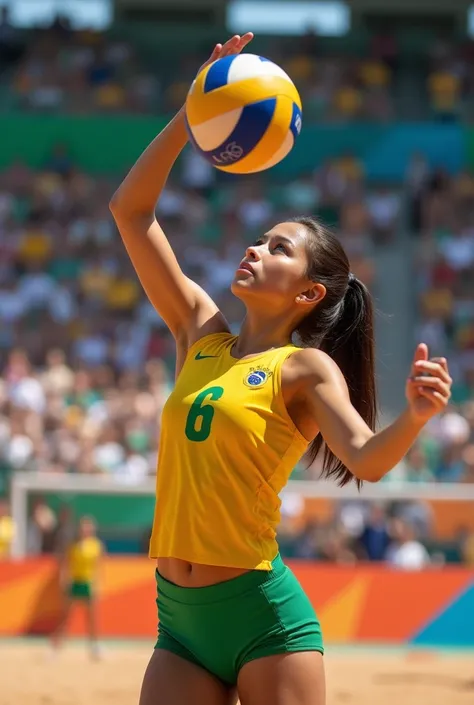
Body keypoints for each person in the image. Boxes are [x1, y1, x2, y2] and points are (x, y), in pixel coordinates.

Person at [110, 33, 453, 705]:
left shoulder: (305, 369)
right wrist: (195, 112)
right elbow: (130, 211)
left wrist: (414, 415)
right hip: (178, 618)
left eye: (278, 248)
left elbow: (368, 459)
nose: (254, 247)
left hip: (262, 616)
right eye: (260, 238)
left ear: (307, 294)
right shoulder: (198, 332)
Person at [51, 515, 104, 660]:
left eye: (88, 528)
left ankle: (94, 648)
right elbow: (66, 564)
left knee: (92, 618)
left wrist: (97, 584)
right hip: (75, 582)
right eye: (83, 527)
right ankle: (56, 647)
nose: (85, 530)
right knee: (65, 617)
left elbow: (98, 567)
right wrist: (64, 580)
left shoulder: (96, 545)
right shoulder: (73, 545)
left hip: (88, 582)